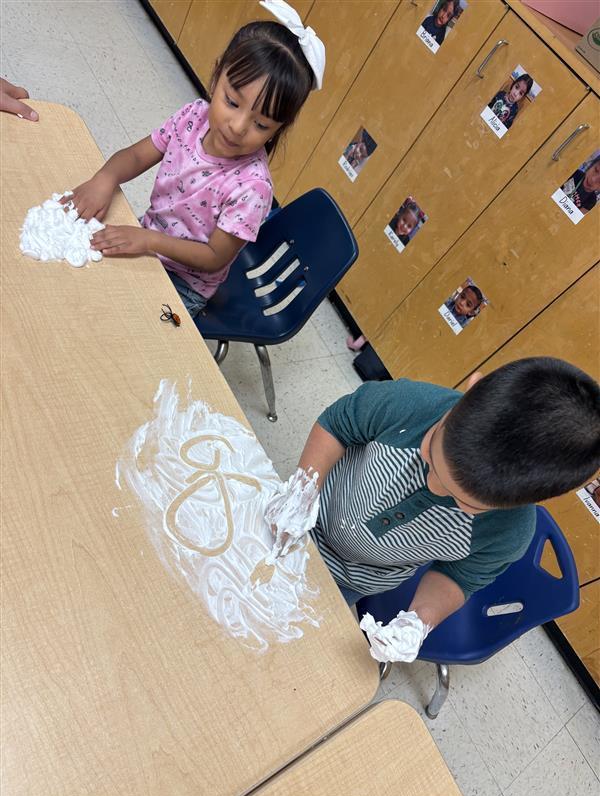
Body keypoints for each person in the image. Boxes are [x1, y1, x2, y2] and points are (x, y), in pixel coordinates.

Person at [275, 357, 600, 654]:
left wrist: (420, 620)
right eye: (430, 452)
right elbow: (339, 424)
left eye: (461, 502)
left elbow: (460, 577)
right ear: (470, 389)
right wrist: (304, 488)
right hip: (304, 514)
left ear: (524, 501)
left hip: (351, 580)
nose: (432, 485)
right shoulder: (410, 406)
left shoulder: (508, 533)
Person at [60, 0, 325, 318]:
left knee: (113, 324)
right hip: (148, 236)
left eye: (261, 124)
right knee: (76, 284)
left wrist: (148, 241)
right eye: (231, 101)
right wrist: (106, 178)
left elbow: (214, 256)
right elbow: (135, 154)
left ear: (277, 129)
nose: (237, 127)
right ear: (216, 77)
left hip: (184, 283)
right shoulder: (193, 116)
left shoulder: (253, 187)